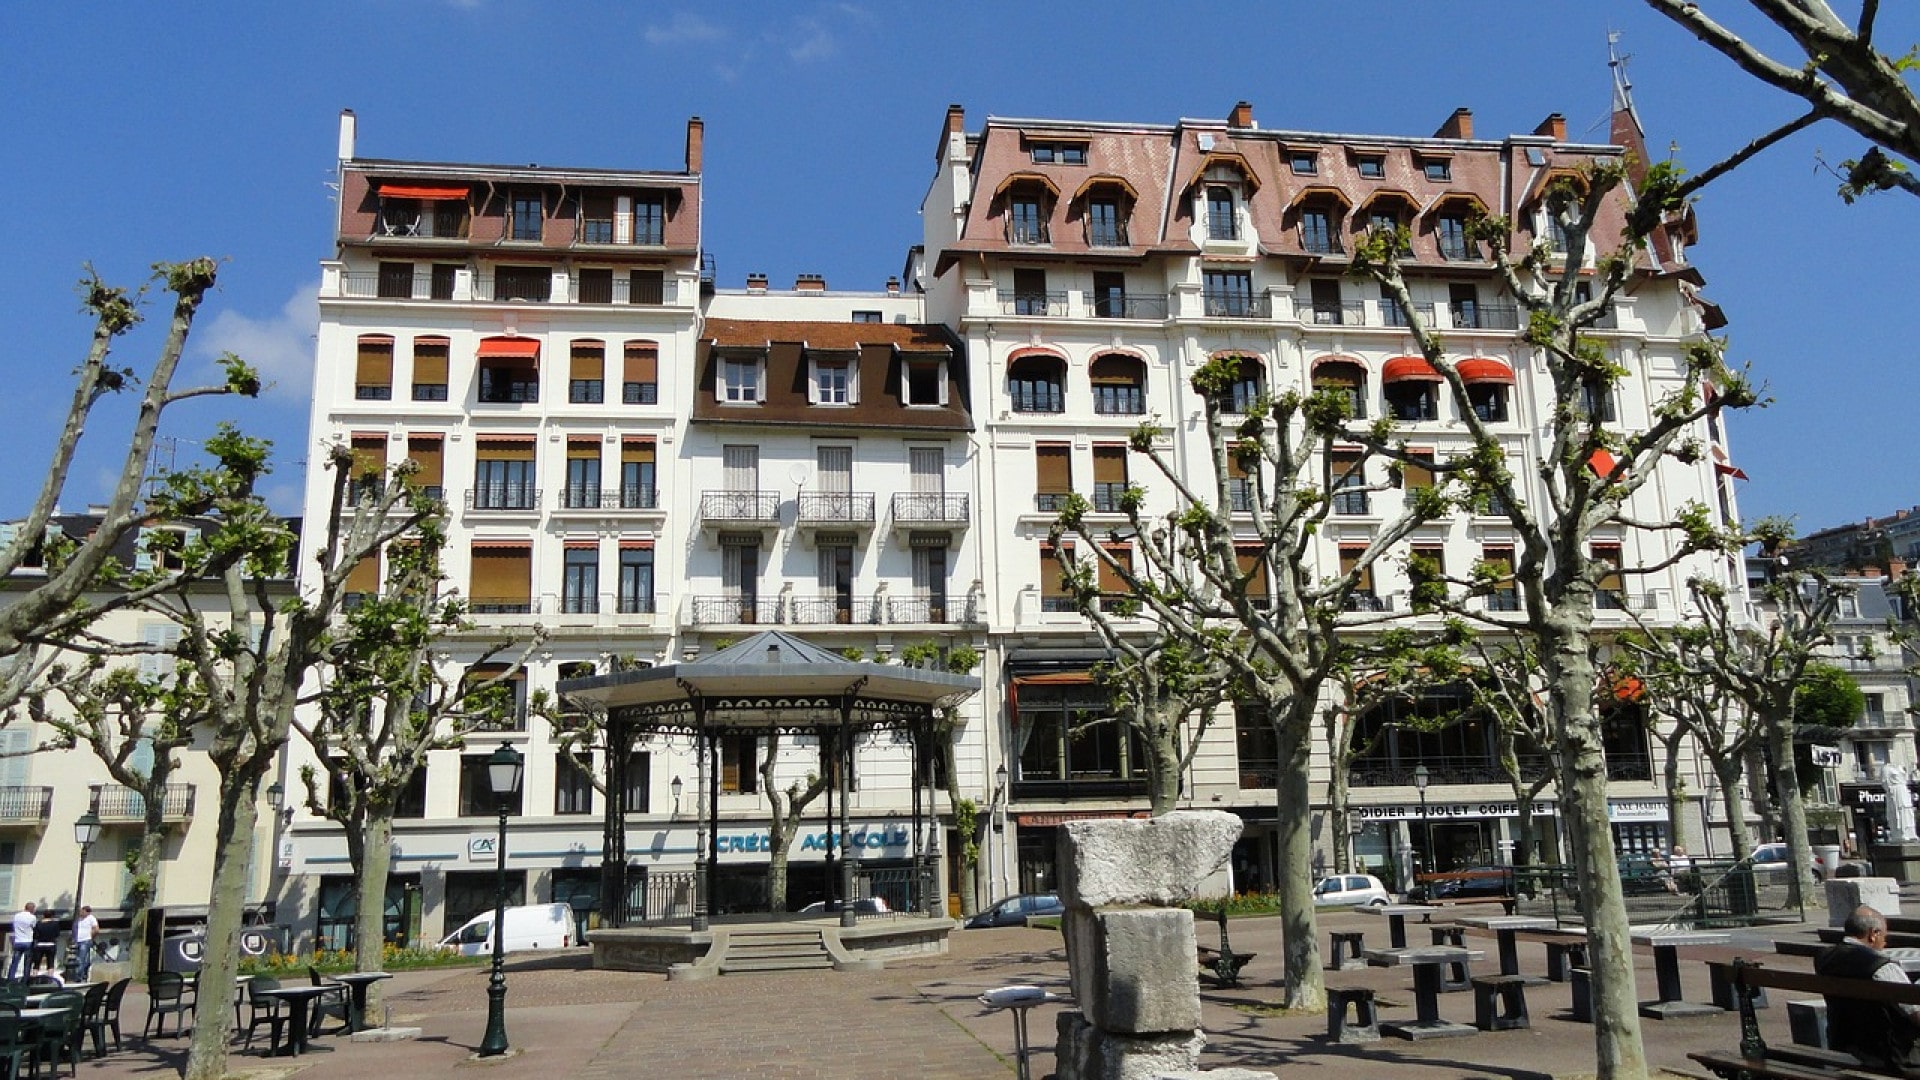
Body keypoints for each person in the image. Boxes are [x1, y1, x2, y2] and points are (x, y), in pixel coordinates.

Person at [1816, 905, 1920, 1070]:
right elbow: (1915, 1013)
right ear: (1873, 934)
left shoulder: (1824, 958)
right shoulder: (1881, 967)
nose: (1885, 943)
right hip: (1888, 1057)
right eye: (1884, 936)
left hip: (1842, 1047)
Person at [7, 902, 33, 982]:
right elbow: (34, 927)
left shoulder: (17, 916)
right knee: (27, 962)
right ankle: (25, 979)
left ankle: (10, 978)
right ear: (32, 909)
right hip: (28, 941)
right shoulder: (32, 917)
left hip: (18, 941)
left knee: (15, 961)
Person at [70, 906, 97, 982]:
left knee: (80, 959)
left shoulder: (91, 918)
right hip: (78, 941)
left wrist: (90, 937)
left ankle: (78, 977)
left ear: (86, 912)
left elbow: (96, 929)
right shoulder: (79, 919)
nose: (81, 913)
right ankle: (83, 975)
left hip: (85, 940)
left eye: (82, 911)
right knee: (83, 960)